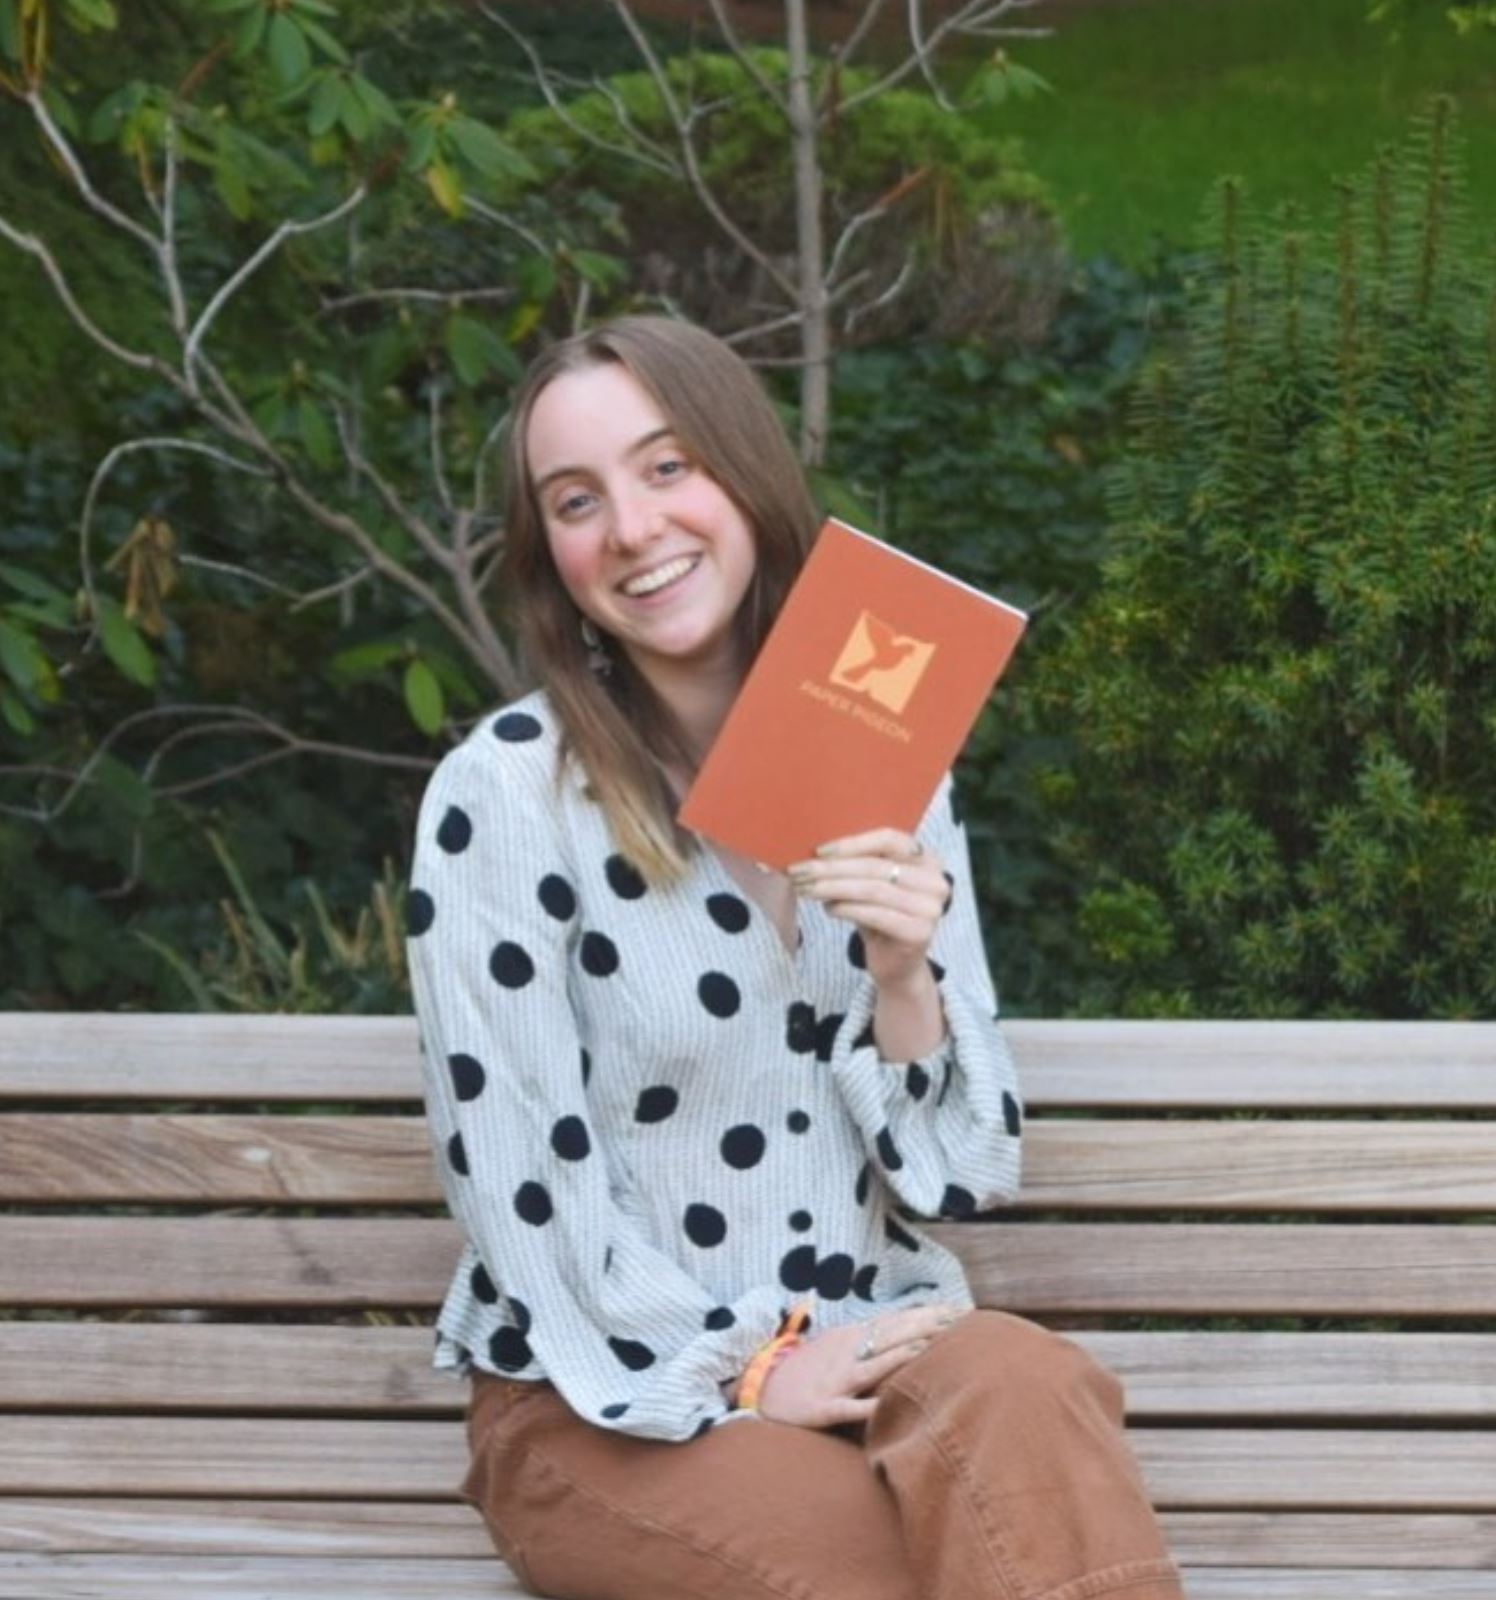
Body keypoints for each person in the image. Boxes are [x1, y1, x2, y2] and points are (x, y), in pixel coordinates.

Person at [405, 315, 1184, 1600]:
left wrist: (898, 975)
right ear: (550, 554)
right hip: (611, 1398)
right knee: (901, 1562)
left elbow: (964, 1174)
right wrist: (753, 1369)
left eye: (668, 468)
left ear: (743, 475)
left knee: (1028, 1381)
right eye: (576, 500)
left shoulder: (886, 746)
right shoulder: (502, 793)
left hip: (879, 1341)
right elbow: (523, 1193)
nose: (636, 529)